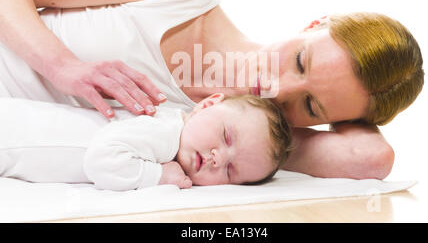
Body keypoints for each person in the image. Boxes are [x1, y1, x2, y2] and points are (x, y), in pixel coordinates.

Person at [0, 0, 424, 180]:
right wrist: (62, 66)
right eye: (299, 60)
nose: (278, 89)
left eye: (311, 106)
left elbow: (370, 159)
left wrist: (267, 146)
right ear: (315, 23)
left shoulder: (233, 144)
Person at [0, 93, 292, 190]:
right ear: (207, 105)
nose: (218, 158)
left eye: (230, 171)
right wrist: (159, 175)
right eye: (226, 136)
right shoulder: (165, 133)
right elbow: (100, 159)